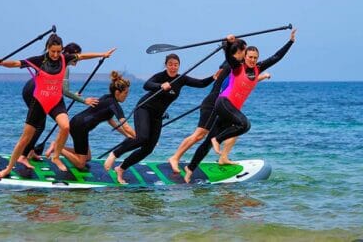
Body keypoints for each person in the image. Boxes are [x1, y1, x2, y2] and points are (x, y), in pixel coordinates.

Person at [0, 33, 116, 178]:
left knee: (65, 126)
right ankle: (9, 168)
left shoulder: (64, 59)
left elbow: (83, 56)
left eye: (59, 51)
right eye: (53, 51)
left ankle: (56, 156)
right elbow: (16, 63)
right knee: (25, 139)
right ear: (48, 48)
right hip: (39, 102)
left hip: (56, 101)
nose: (56, 54)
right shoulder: (39, 60)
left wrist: (102, 54)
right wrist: (2, 63)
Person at [184, 29, 296, 183]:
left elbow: (277, 57)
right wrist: (228, 43)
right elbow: (228, 55)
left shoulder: (258, 69)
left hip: (229, 110)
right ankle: (218, 139)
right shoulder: (237, 67)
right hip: (223, 102)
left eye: (255, 58)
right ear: (245, 56)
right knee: (245, 124)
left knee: (207, 143)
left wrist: (290, 42)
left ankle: (189, 169)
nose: (253, 60)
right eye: (250, 57)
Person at [104, 53, 219, 184]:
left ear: (179, 66)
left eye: (176, 65)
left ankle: (121, 168)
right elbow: (147, 85)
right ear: (166, 65)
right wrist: (160, 86)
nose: (173, 67)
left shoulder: (181, 79)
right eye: (170, 64)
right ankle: (114, 154)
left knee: (148, 148)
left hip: (157, 116)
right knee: (142, 138)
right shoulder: (160, 76)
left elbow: (201, 83)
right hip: (144, 109)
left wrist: (214, 77)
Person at [18, 42, 107, 169]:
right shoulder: (63, 66)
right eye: (77, 55)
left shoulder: (60, 63)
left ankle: (30, 151)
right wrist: (83, 100)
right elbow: (65, 91)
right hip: (34, 91)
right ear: (71, 54)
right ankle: (23, 156)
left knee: (39, 125)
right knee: (39, 125)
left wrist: (102, 54)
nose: (78, 59)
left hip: (32, 89)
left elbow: (59, 87)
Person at [45, 71, 136, 169]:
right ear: (117, 92)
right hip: (80, 127)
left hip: (78, 123)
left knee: (87, 157)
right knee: (81, 164)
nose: (127, 96)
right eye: (125, 93)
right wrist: (139, 137)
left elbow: (111, 121)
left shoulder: (107, 98)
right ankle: (57, 147)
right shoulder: (114, 105)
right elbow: (125, 125)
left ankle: (58, 147)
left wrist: (128, 135)